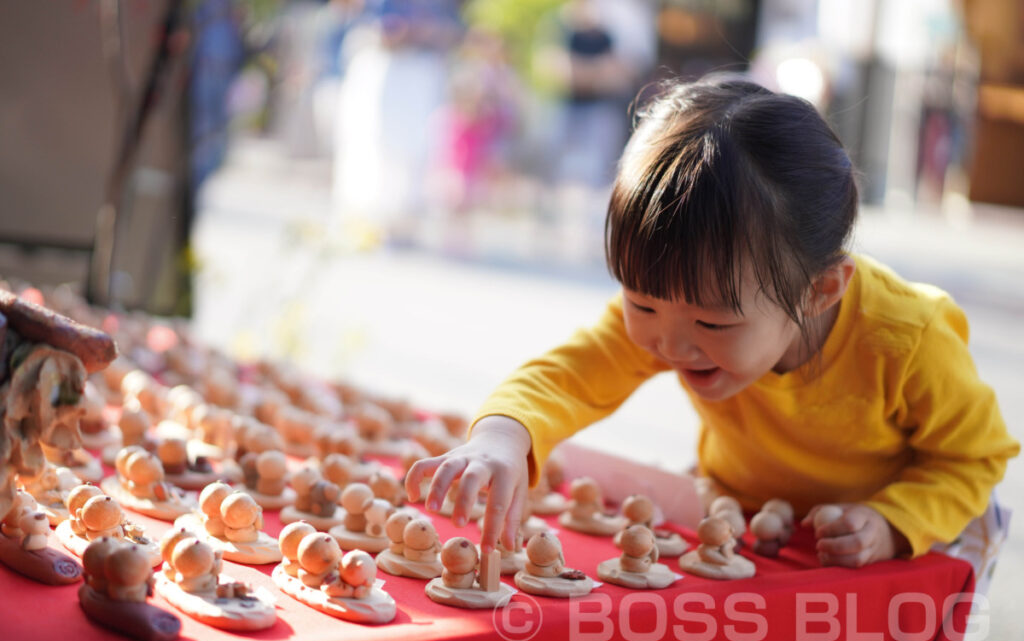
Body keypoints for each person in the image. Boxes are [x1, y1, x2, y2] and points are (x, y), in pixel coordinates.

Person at [405, 75, 1019, 570]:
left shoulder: (906, 338)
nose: (668, 344)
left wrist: (893, 523)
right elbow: (571, 374)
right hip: (755, 509)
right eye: (640, 304)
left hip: (913, 528)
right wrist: (505, 435)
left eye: (714, 326)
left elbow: (973, 460)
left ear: (820, 291)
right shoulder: (685, 303)